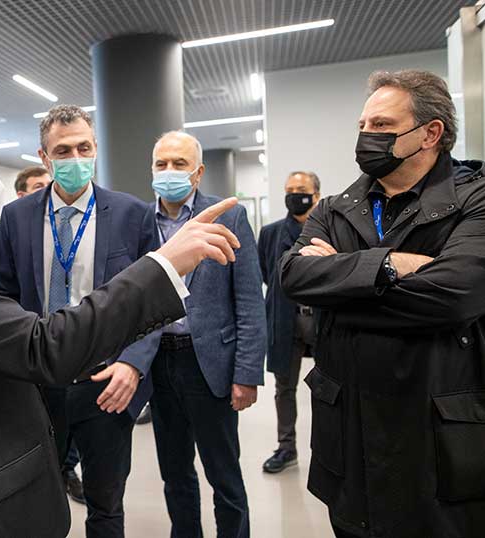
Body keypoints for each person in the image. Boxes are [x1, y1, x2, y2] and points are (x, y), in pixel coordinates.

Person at [0, 102, 241, 538]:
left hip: (88, 392)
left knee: (107, 501)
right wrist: (162, 266)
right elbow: (40, 345)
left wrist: (130, 363)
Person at [281, 70, 485, 538]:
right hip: (350, 442)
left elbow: (454, 295)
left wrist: (339, 288)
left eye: (381, 125)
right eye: (363, 125)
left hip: (437, 442)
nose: (366, 136)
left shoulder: (474, 200)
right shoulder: (334, 208)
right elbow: (292, 276)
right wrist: (392, 265)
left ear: (430, 133)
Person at [0, 104, 158, 537]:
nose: (75, 158)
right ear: (44, 158)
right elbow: (3, 297)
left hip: (106, 381)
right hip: (40, 383)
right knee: (38, 505)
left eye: (84, 148)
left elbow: (153, 301)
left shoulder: (132, 214)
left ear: (96, 148)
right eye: (63, 151)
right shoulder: (16, 217)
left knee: (106, 505)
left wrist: (132, 363)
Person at [144, 131, 266, 538]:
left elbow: (249, 299)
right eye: (161, 164)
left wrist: (246, 374)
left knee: (224, 475)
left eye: (179, 164)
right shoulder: (141, 222)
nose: (169, 171)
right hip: (160, 363)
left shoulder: (228, 217)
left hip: (210, 364)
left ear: (198, 173)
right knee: (175, 474)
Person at [258, 171, 320, 474]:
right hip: (285, 319)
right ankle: (286, 447)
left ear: (316, 195)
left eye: (302, 189)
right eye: (290, 190)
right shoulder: (271, 234)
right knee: (284, 387)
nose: (295, 195)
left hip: (322, 319)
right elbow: (264, 273)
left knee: (329, 386)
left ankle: (330, 447)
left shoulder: (332, 229)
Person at [0, 166, 50, 284]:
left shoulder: (61, 223)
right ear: (21, 195)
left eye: (49, 185)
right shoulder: (5, 230)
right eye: (38, 186)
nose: (47, 190)